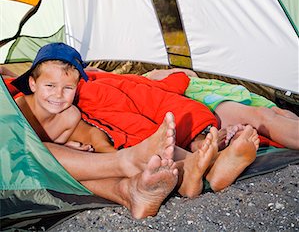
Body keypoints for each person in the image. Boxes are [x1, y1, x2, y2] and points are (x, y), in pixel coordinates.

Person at [3, 43, 259, 210]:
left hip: (54, 170)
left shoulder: (68, 115)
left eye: (68, 88)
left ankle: (193, 170)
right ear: (33, 84)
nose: (58, 95)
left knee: (119, 136)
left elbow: (93, 133)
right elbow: (14, 147)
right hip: (17, 167)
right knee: (38, 150)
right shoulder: (17, 109)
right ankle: (136, 169)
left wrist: (102, 149)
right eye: (49, 86)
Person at [144, 68, 299, 150]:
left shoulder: (150, 78)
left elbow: (190, 73)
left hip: (225, 90)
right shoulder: (148, 80)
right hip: (210, 97)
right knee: (263, 115)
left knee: (277, 112)